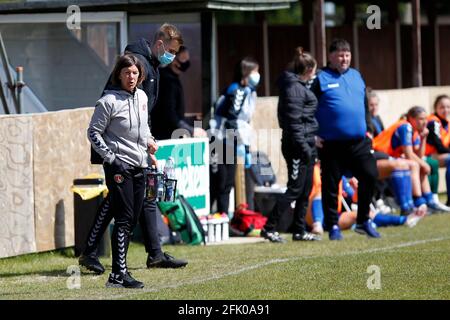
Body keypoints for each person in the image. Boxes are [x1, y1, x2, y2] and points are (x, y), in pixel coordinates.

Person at [80, 23, 187, 275]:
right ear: (160, 44)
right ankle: (92, 252)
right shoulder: (139, 65)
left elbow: (140, 113)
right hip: (120, 150)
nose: (172, 56)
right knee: (120, 203)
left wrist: (147, 141)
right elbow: (114, 111)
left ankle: (155, 254)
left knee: (143, 198)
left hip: (135, 147)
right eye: (170, 50)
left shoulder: (150, 64)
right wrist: (119, 151)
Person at [87, 54, 150, 288]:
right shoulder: (108, 101)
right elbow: (93, 133)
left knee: (131, 219)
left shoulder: (142, 97)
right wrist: (112, 159)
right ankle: (118, 274)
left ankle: (117, 274)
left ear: (140, 75)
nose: (131, 77)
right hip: (118, 167)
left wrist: (150, 144)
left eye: (134, 73)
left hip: (140, 165)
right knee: (123, 219)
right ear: (119, 74)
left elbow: (143, 130)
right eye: (127, 73)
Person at [311, 38, 380, 240]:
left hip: (359, 142)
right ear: (331, 56)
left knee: (370, 175)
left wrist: (369, 129)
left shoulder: (357, 76)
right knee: (331, 186)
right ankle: (332, 226)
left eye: (347, 55)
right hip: (331, 144)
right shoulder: (320, 78)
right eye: (340, 55)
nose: (344, 58)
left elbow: (364, 105)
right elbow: (308, 109)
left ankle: (363, 220)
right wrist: (313, 134)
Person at [260, 47, 320, 243]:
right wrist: (303, 147)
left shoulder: (299, 86)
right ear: (308, 69)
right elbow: (294, 123)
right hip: (297, 146)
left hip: (306, 144)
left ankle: (299, 229)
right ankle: (269, 228)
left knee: (305, 188)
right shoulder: (293, 88)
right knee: (294, 188)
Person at [306, 164, 426, 235]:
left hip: (332, 215)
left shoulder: (338, 174)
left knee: (363, 214)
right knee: (320, 191)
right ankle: (317, 225)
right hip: (311, 214)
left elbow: (354, 199)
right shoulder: (311, 170)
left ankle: (404, 220)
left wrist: (356, 188)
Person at [373, 106, 449, 212]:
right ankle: (417, 202)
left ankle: (429, 201)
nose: (424, 122)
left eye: (425, 119)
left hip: (388, 157)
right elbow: (409, 154)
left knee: (419, 164)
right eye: (421, 119)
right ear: (412, 119)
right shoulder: (405, 126)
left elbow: (418, 155)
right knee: (415, 165)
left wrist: (423, 138)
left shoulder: (415, 130)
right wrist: (423, 163)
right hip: (376, 155)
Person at [210, 57, 260, 216]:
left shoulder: (248, 91)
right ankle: (214, 217)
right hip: (221, 140)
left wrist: (243, 146)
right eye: (255, 71)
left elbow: (242, 121)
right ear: (246, 73)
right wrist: (241, 146)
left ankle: (223, 218)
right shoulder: (237, 90)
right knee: (221, 181)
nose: (258, 75)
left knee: (226, 182)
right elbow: (232, 120)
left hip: (231, 140)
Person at [151, 46, 206, 140]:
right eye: (183, 59)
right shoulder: (167, 80)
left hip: (169, 134)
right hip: (164, 136)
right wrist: (190, 130)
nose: (186, 63)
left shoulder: (171, 78)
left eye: (187, 59)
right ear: (173, 60)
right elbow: (169, 113)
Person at [425, 94, 450, 206]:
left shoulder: (447, 123)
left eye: (448, 107)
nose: (445, 110)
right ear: (435, 108)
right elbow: (438, 145)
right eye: (442, 107)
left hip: (439, 154)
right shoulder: (433, 121)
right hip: (428, 155)